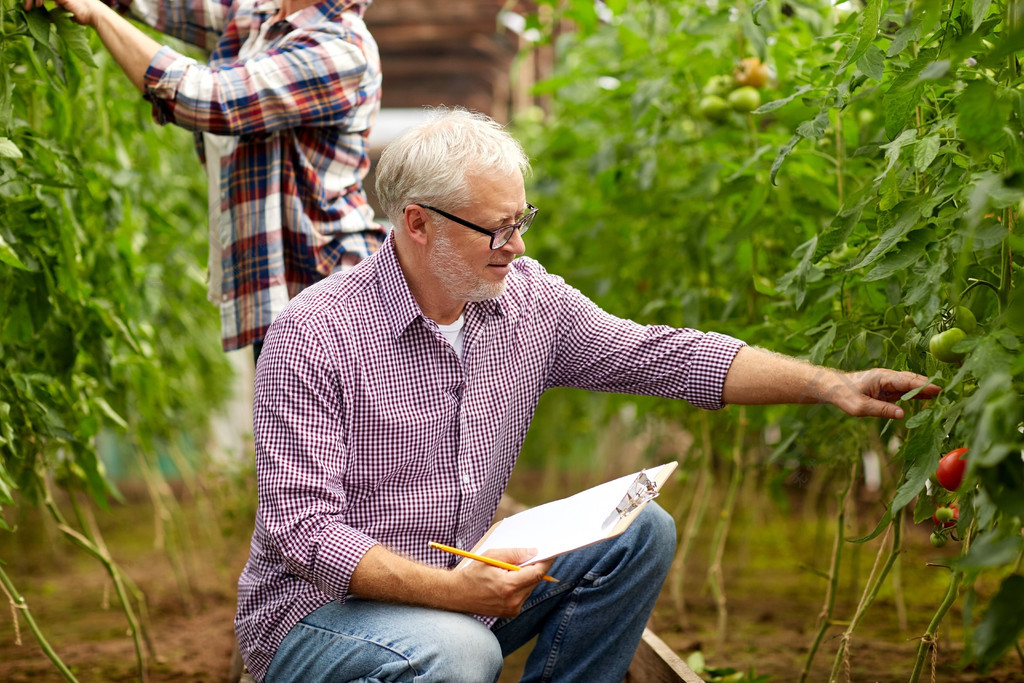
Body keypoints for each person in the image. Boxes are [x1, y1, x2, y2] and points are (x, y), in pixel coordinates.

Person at [234, 107, 941, 682]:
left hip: (465, 582)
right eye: (495, 228)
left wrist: (826, 383)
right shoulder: (318, 334)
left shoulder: (527, 304)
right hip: (319, 617)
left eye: (522, 220)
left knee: (640, 531)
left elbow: (664, 356)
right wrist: (451, 595)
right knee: (461, 652)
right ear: (417, 224)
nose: (515, 244)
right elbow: (304, 533)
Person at [24, 0, 385, 358]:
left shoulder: (341, 51)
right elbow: (175, 6)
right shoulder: (263, 16)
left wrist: (97, 13)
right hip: (293, 294)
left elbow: (209, 97)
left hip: (331, 292)